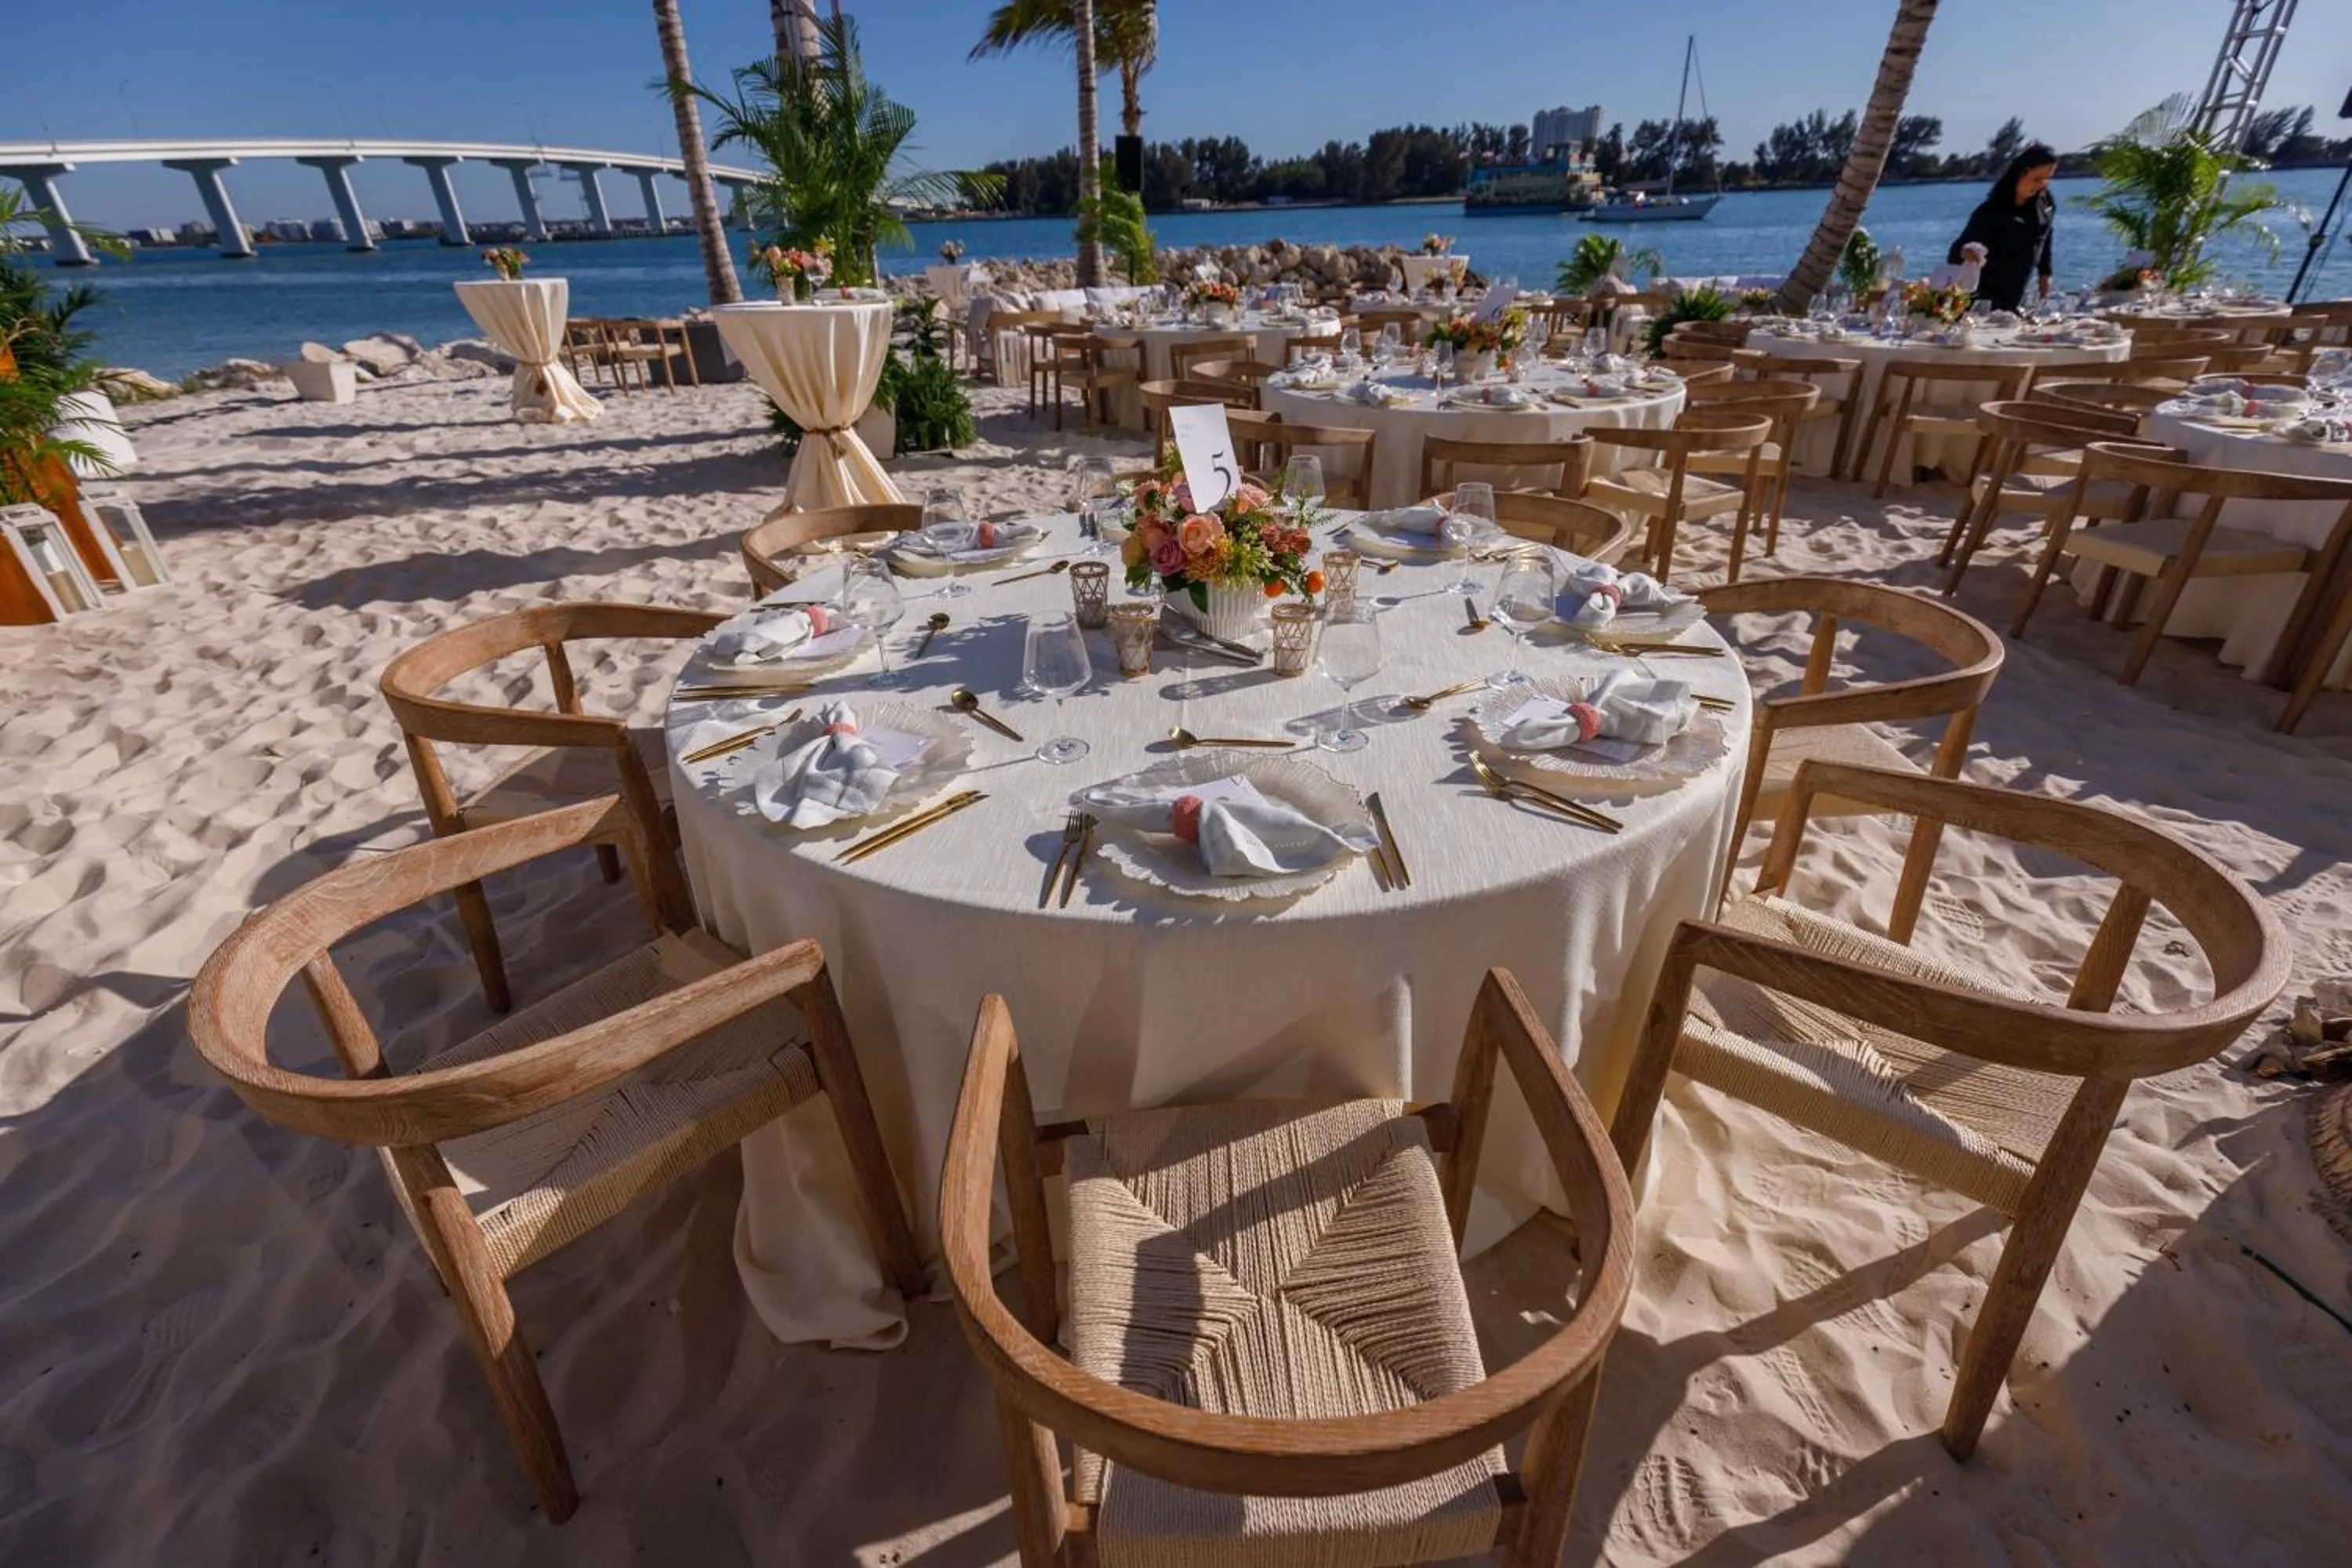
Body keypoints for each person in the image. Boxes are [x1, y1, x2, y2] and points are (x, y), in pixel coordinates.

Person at [1948, 143, 2060, 310]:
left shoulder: (2046, 204)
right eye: (2036, 179)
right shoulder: (1991, 211)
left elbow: (2045, 239)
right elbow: (1956, 252)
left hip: (2015, 296)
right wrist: (1967, 253)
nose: (2042, 185)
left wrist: (2045, 275)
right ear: (2021, 174)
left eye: (2047, 178)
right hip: (1983, 299)